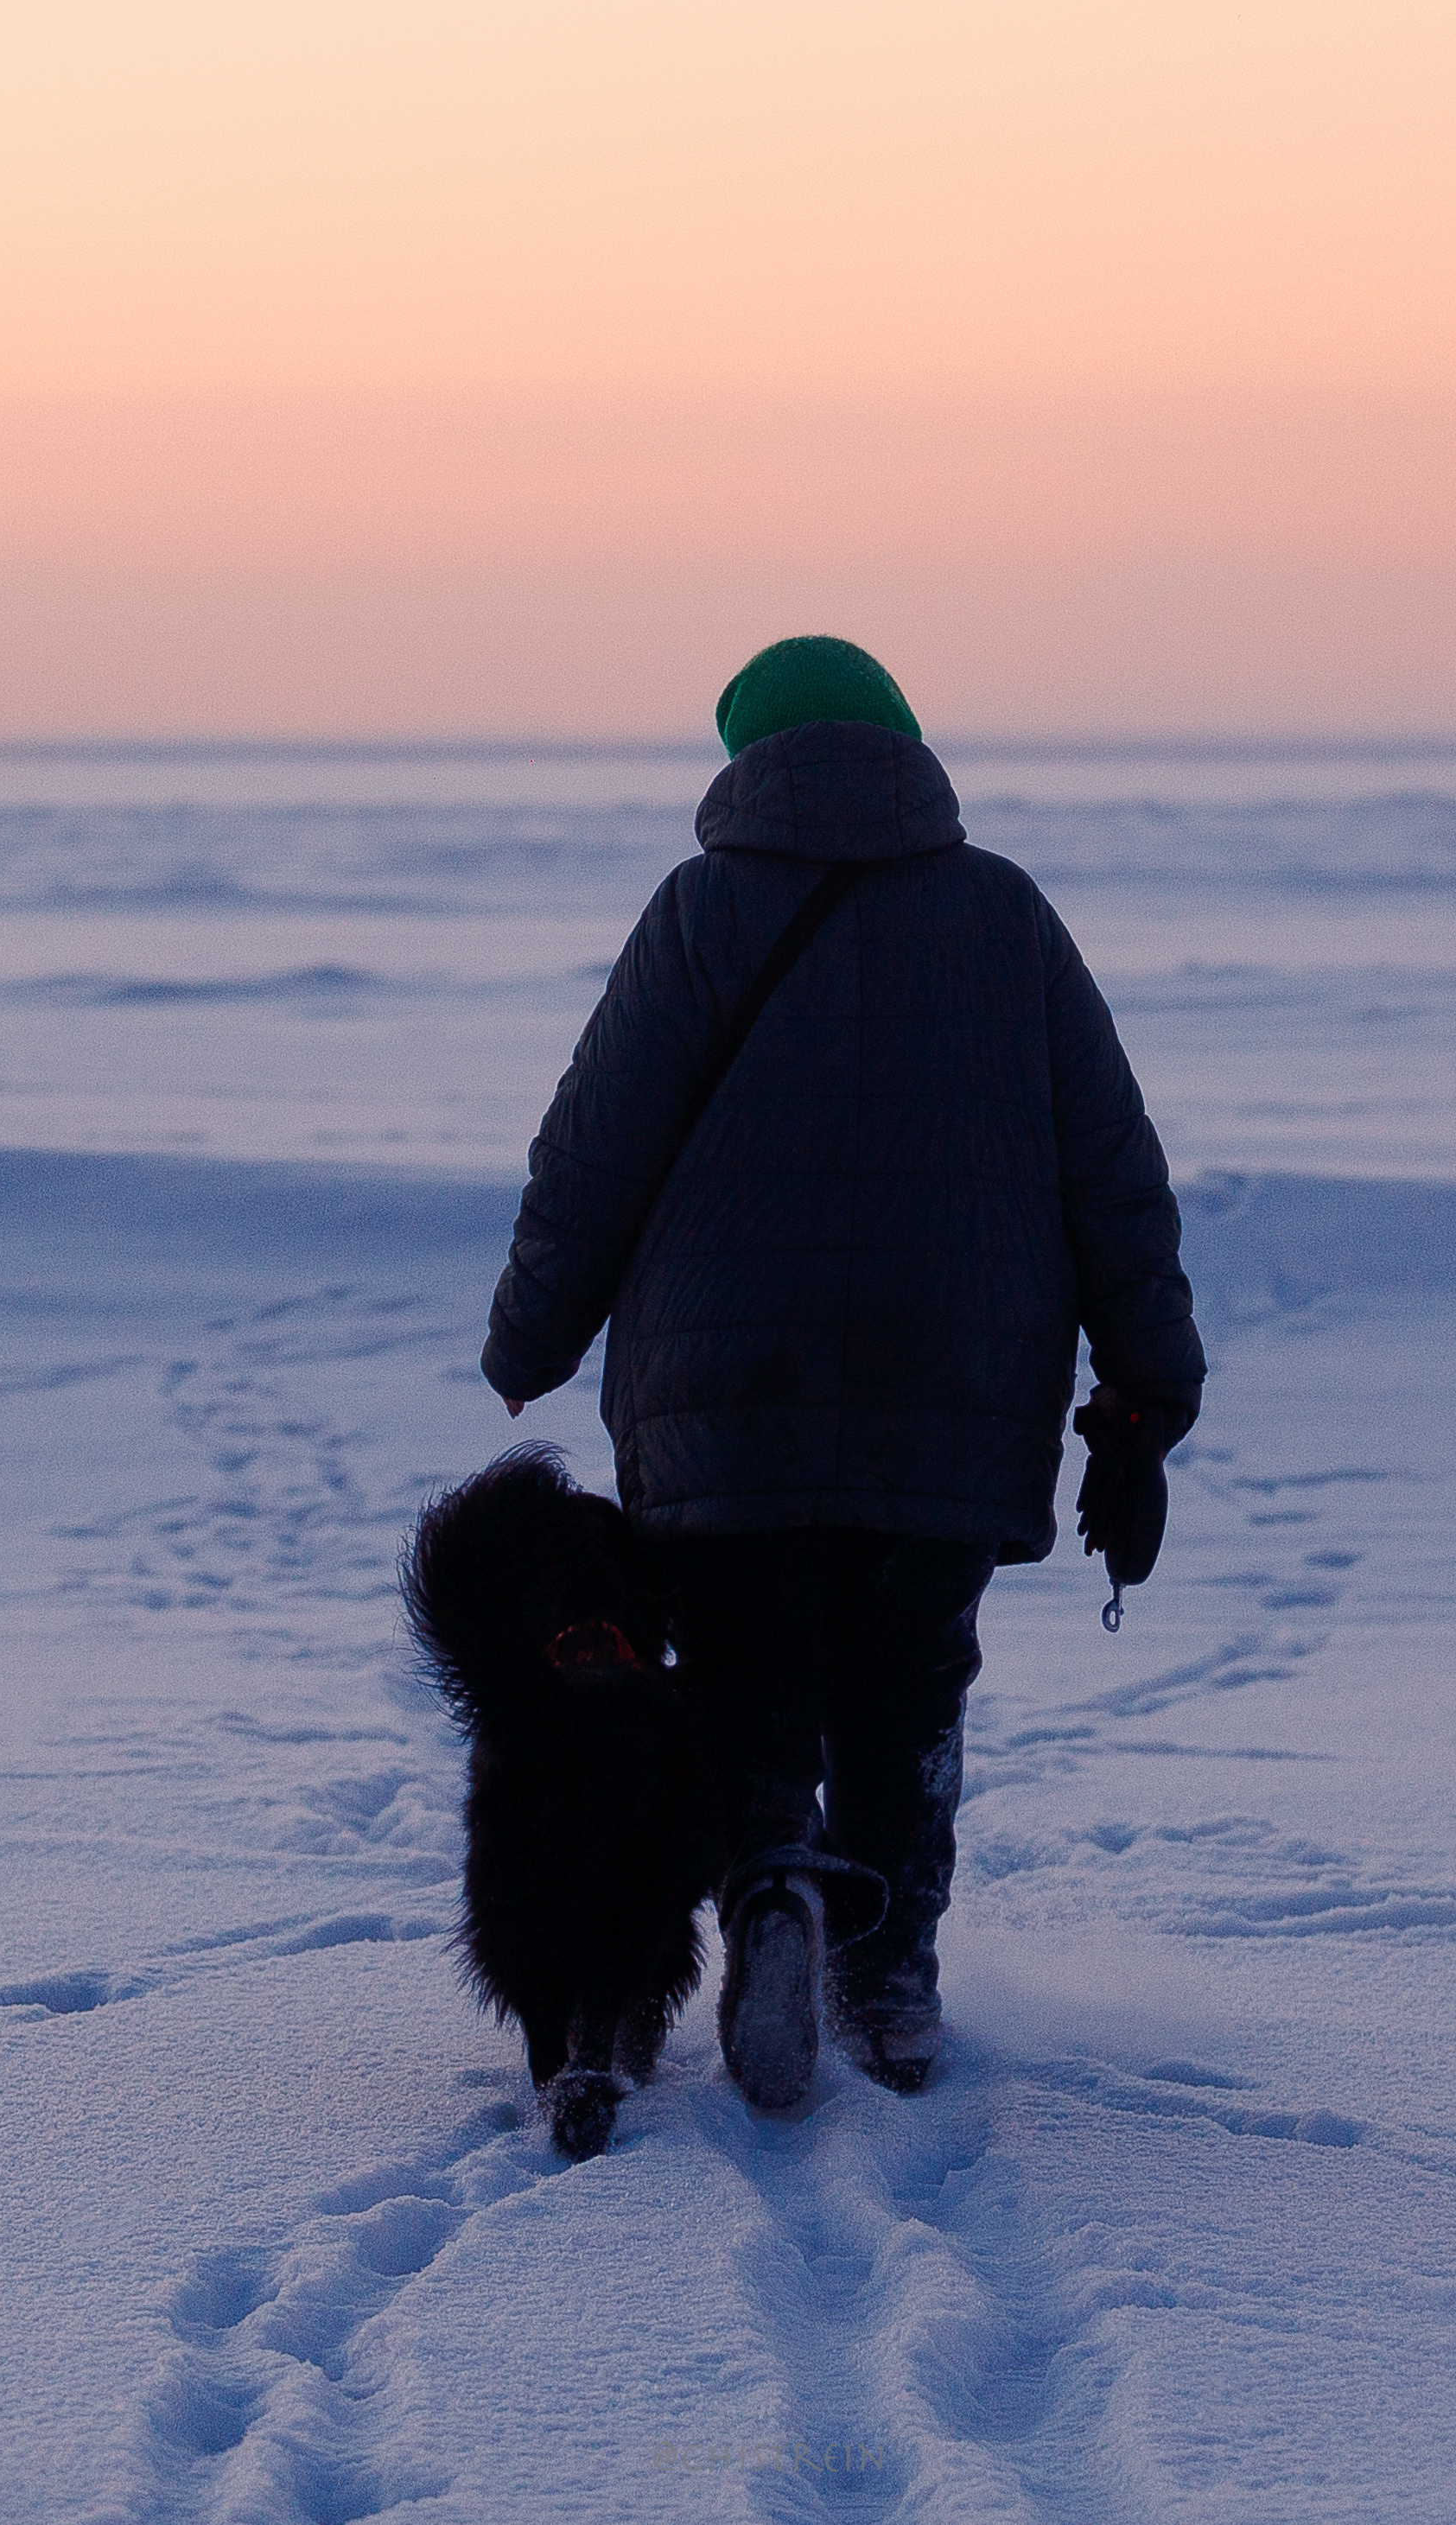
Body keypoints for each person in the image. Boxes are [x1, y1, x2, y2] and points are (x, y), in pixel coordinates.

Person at [481, 636, 1205, 2105]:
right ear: (904, 744)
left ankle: (770, 1899)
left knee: (748, 1684)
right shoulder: (1006, 915)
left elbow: (592, 1148)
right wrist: (1145, 1388)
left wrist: (531, 1337)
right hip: (956, 1390)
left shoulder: (696, 914)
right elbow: (1111, 1173)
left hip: (723, 1398)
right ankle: (892, 1977)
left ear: (743, 757)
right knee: (908, 1691)